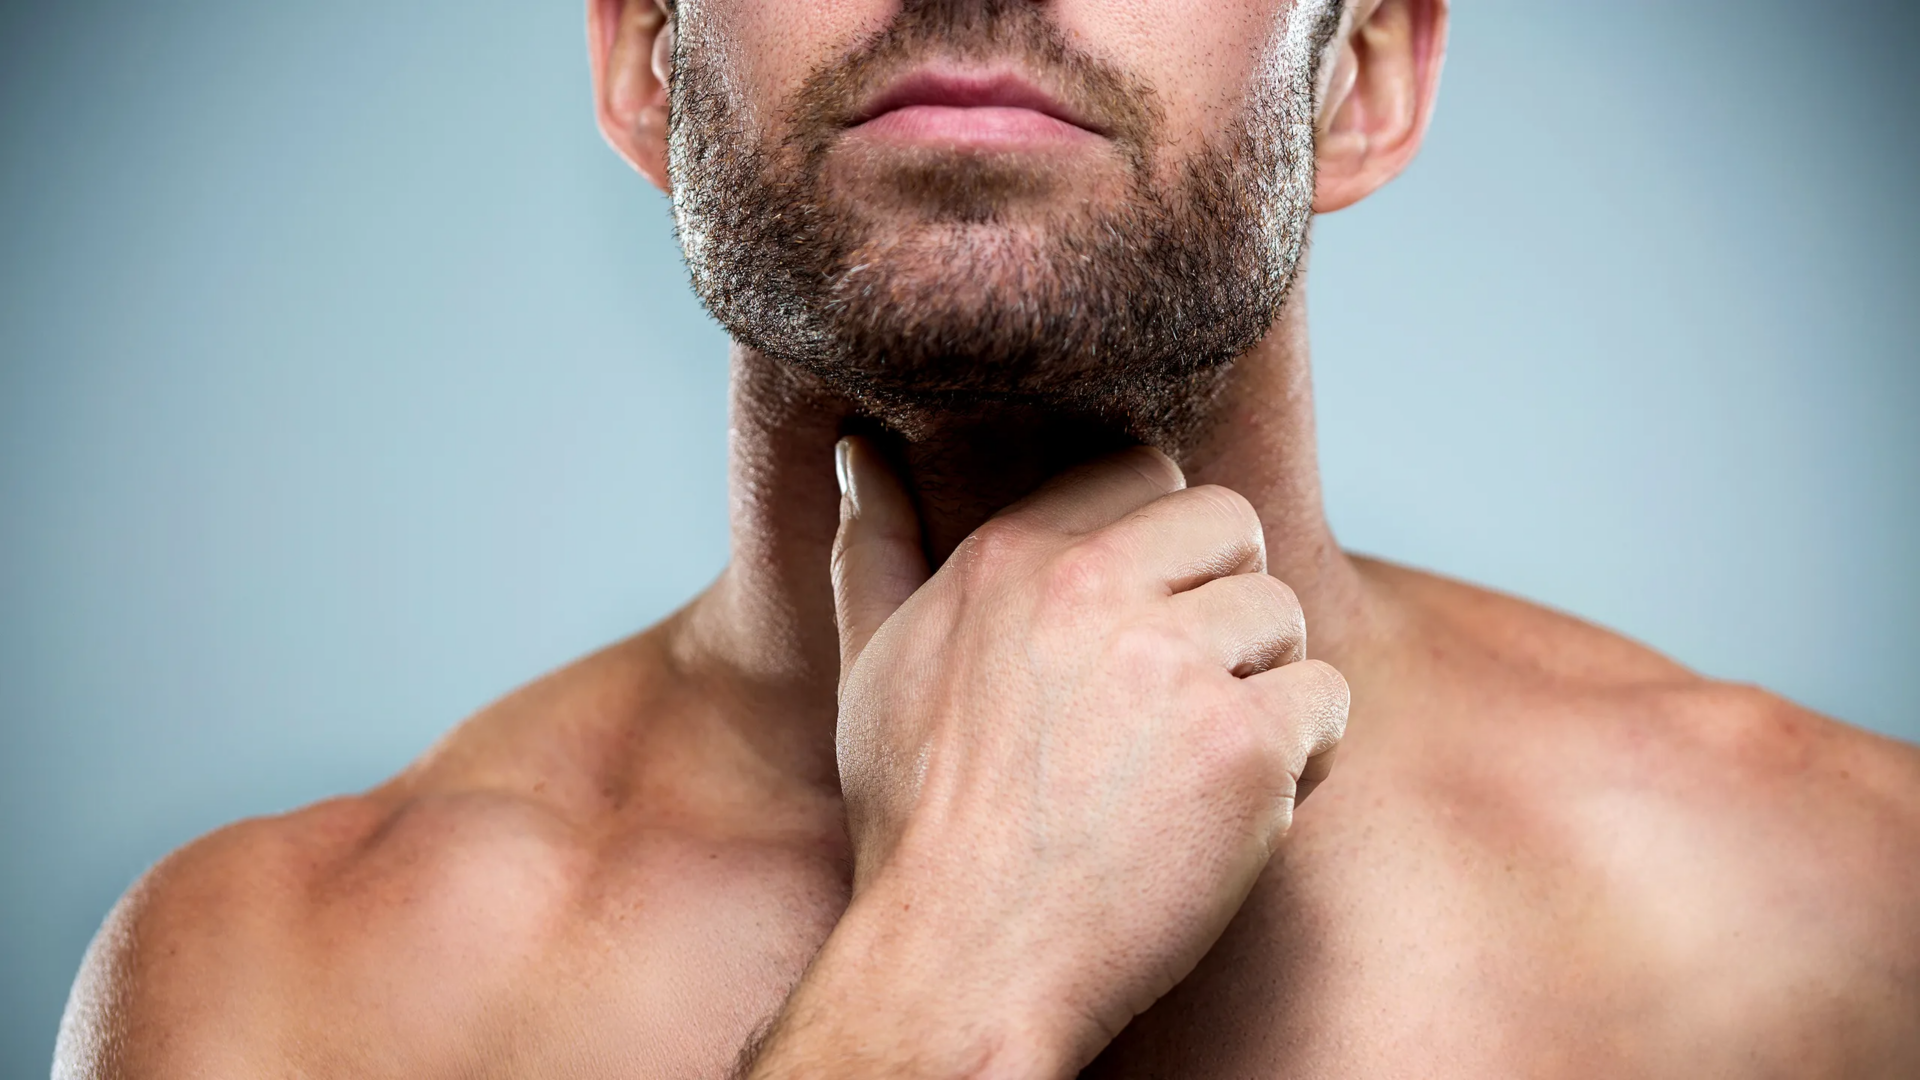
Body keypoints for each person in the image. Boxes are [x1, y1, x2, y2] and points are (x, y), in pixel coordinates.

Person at [53, 0, 1920, 1075]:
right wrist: (943, 972)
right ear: (643, 63)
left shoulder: (1841, 923)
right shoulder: (282, 1002)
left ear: (1361, 76)